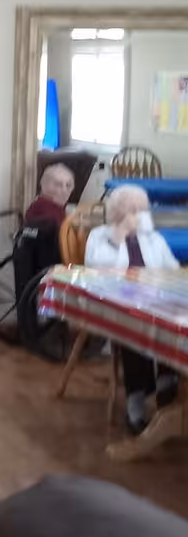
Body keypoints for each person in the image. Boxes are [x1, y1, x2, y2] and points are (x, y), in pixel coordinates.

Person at [85, 183, 179, 431]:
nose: (138, 215)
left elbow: (171, 268)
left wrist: (162, 281)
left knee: (176, 319)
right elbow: (95, 270)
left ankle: (168, 380)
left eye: (141, 210)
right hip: (118, 302)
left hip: (154, 300)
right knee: (133, 324)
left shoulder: (153, 238)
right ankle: (135, 403)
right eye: (132, 210)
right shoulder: (100, 236)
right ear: (118, 212)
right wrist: (118, 239)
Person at [25, 162, 75, 227]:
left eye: (68, 185)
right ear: (46, 186)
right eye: (58, 184)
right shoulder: (46, 210)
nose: (64, 190)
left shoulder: (55, 205)